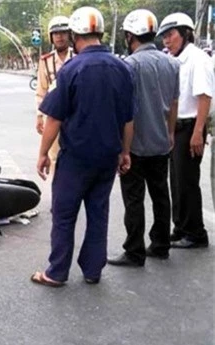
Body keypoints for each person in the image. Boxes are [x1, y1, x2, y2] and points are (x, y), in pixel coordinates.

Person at [31, 6, 135, 287]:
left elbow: (54, 118)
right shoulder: (123, 69)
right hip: (107, 157)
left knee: (64, 215)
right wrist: (124, 152)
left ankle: (56, 272)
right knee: (98, 213)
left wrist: (42, 153)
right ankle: (92, 270)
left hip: (76, 158)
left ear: (76, 36)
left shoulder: (71, 70)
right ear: (100, 33)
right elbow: (128, 119)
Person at [108, 10, 180, 267]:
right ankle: (161, 245)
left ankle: (135, 251)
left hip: (135, 145)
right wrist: (170, 133)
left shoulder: (129, 66)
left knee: (134, 198)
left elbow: (125, 113)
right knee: (161, 195)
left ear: (129, 36)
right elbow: (173, 104)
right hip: (161, 142)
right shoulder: (172, 63)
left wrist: (122, 149)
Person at [158, 13, 214, 249]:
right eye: (164, 37)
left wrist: (197, 133)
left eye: (170, 36)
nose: (166, 42)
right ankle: (180, 227)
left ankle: (196, 233)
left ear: (185, 33)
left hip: (191, 126)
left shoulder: (198, 59)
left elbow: (204, 97)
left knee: (188, 181)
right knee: (176, 181)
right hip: (176, 128)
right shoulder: (175, 59)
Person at [35, 15, 74, 169]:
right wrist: (39, 116)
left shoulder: (78, 57)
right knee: (55, 159)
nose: (60, 37)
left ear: (70, 35)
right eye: (56, 34)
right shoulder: (46, 61)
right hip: (54, 116)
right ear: (51, 37)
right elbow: (41, 90)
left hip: (76, 116)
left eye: (63, 33)